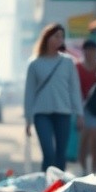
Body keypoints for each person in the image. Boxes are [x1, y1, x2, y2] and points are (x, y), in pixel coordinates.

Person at [24, 22, 84, 172]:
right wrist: (28, 119)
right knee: (48, 154)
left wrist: (79, 114)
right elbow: (29, 92)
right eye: (56, 36)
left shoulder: (68, 62)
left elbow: (74, 90)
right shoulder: (34, 63)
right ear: (47, 38)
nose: (60, 40)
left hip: (63, 113)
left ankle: (59, 189)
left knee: (60, 155)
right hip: (41, 114)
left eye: (62, 37)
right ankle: (46, 188)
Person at [76, 39, 96, 174]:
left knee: (95, 141)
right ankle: (84, 170)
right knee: (84, 140)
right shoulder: (78, 67)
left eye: (92, 51)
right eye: (87, 50)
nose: (90, 53)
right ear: (83, 51)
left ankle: (94, 171)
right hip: (81, 108)